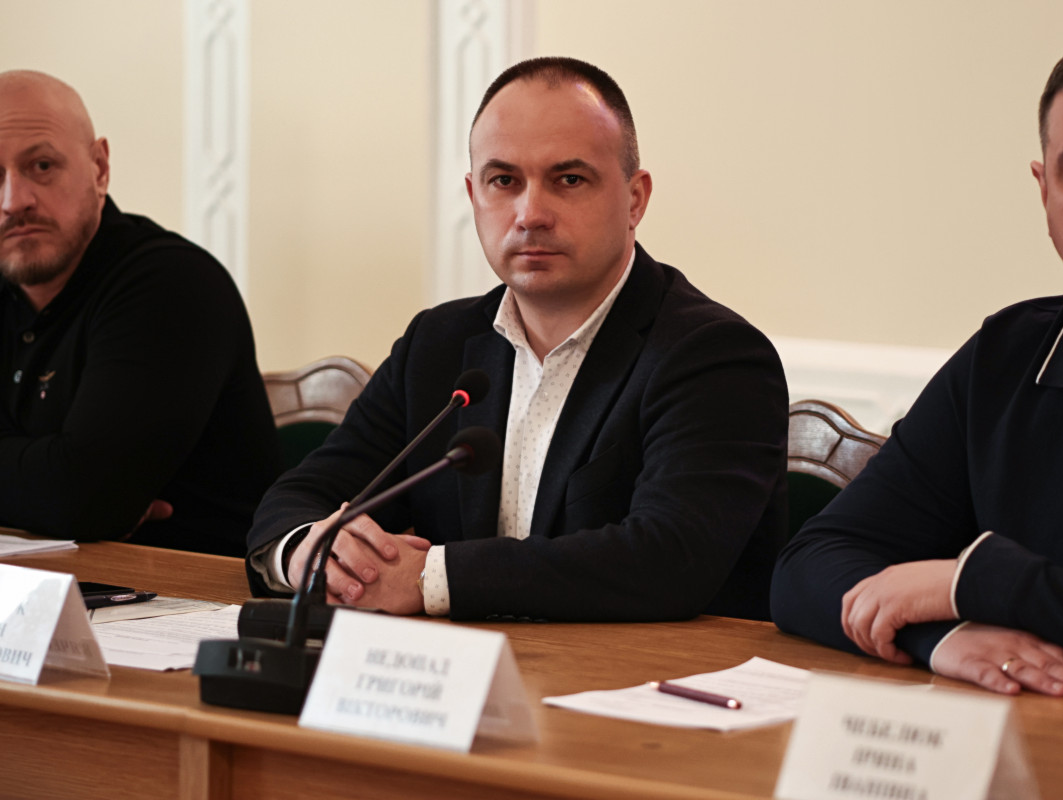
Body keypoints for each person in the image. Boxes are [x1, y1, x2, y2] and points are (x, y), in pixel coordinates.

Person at [246, 57, 787, 622]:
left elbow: (667, 559)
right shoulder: (439, 343)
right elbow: (301, 496)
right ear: (473, 195)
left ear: (634, 199)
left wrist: (430, 578)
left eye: (568, 180)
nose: (531, 214)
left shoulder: (714, 356)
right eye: (504, 181)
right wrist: (309, 549)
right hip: (462, 668)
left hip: (647, 672)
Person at [772, 31, 1063, 696]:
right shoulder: (1006, 356)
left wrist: (979, 584)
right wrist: (942, 637)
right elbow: (811, 565)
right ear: (1045, 192)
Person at [0, 70, 280, 556]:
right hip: (42, 583)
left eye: (42, 166)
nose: (14, 201)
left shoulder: (171, 282)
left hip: (187, 590)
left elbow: (84, 497)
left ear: (99, 168)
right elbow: (73, 495)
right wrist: (46, 487)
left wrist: (71, 491)